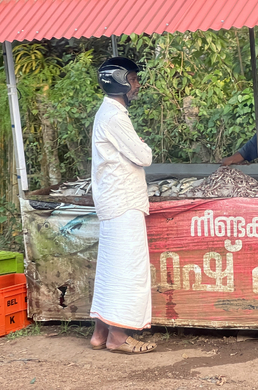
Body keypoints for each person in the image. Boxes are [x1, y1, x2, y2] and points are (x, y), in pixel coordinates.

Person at [89, 57, 157, 354]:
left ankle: (100, 334)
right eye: (133, 78)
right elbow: (143, 156)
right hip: (123, 201)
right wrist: (142, 145)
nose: (137, 84)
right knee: (128, 270)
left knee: (110, 268)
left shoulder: (107, 112)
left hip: (113, 200)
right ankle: (118, 338)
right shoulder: (115, 116)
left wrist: (136, 144)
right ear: (119, 80)